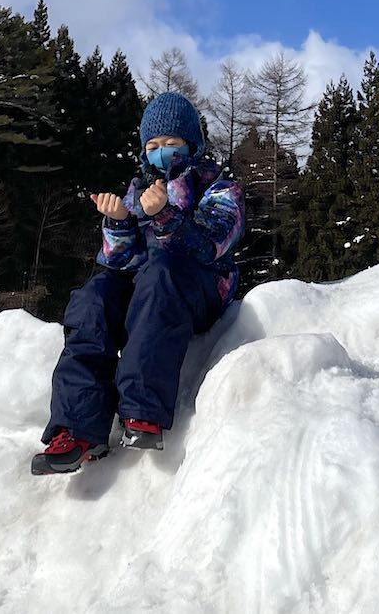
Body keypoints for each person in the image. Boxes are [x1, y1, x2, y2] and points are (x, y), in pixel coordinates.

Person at [31, 92, 245, 476]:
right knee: (93, 297)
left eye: (170, 143)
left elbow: (211, 245)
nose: (161, 152)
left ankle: (143, 408)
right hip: (145, 287)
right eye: (153, 145)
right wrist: (117, 222)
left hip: (198, 289)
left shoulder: (218, 189)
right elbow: (118, 260)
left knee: (161, 271)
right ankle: (78, 426)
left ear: (191, 144)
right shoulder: (137, 191)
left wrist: (164, 215)